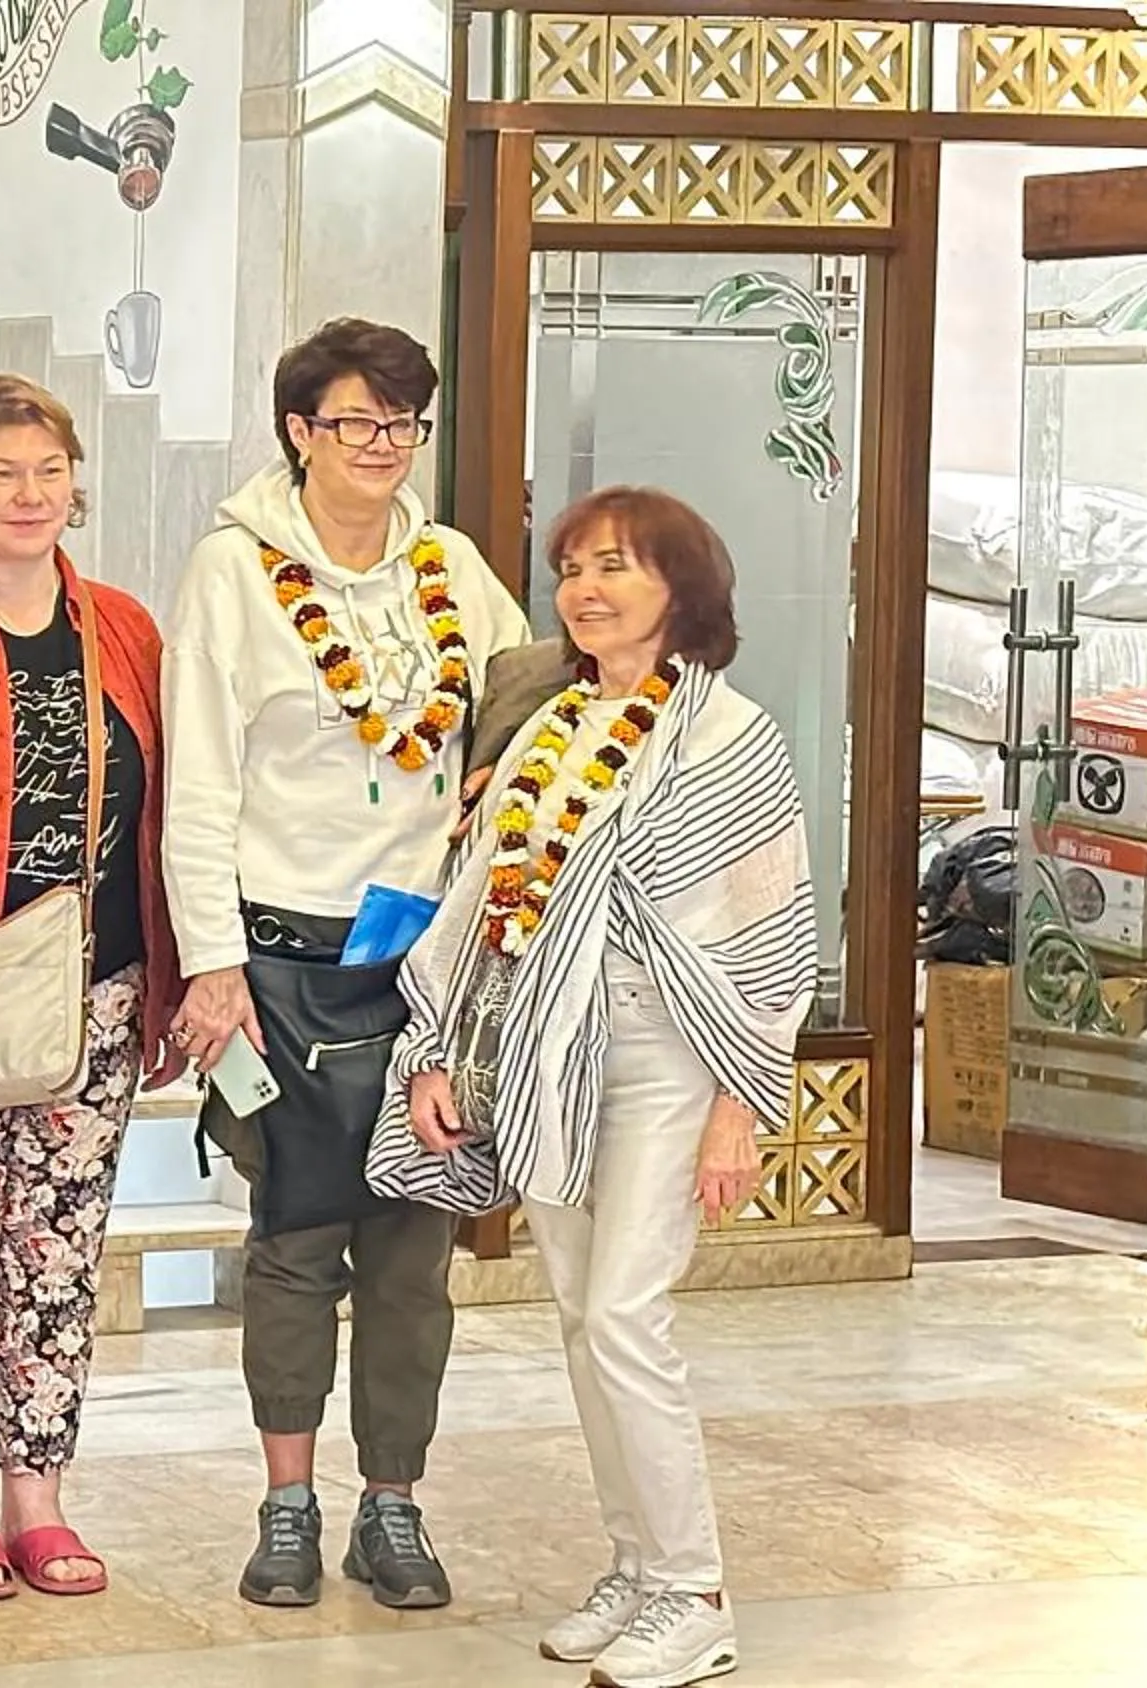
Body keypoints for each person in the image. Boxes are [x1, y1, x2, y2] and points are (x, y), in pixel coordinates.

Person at [379, 488, 816, 1688]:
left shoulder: (735, 738)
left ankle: (694, 1587)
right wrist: (438, 1048)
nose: (584, 587)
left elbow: (773, 932)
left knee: (627, 1310)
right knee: (581, 1314)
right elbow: (481, 896)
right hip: (551, 1052)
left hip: (672, 1055)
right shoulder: (549, 722)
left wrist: (741, 1100)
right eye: (571, 566)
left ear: (682, 582)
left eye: (615, 564)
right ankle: (636, 1564)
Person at [161, 317, 532, 1611]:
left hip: (424, 961)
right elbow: (199, 785)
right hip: (283, 958)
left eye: (401, 425)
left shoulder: (451, 565)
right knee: (296, 1242)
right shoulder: (234, 572)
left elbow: (522, 702)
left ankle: (394, 1504)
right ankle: (285, 1502)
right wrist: (213, 969)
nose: (382, 447)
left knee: (413, 1253)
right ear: (298, 432)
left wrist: (501, 785)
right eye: (356, 423)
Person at [0, 374, 183, 1602]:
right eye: (0, 471)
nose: (27, 494)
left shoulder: (122, 626)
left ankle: (39, 1498)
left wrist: (174, 975)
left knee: (57, 1249)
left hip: (93, 986)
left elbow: (169, 809)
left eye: (47, 471)